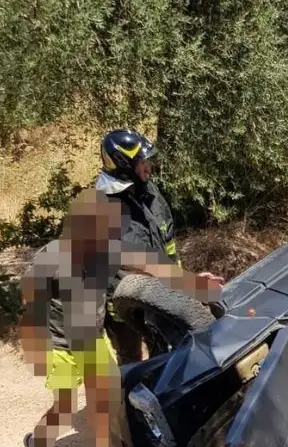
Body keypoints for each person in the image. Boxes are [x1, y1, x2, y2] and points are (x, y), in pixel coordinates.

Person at [19, 188, 222, 447]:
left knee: (105, 398)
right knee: (64, 409)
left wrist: (193, 283)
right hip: (60, 344)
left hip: (91, 338)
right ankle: (37, 442)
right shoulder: (51, 258)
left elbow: (152, 265)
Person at [94, 129, 224, 361]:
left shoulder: (149, 192)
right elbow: (139, 262)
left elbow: (166, 248)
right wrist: (189, 284)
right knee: (133, 363)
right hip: (125, 305)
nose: (148, 167)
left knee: (168, 355)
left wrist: (185, 279)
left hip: (162, 291)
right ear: (124, 166)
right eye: (142, 162)